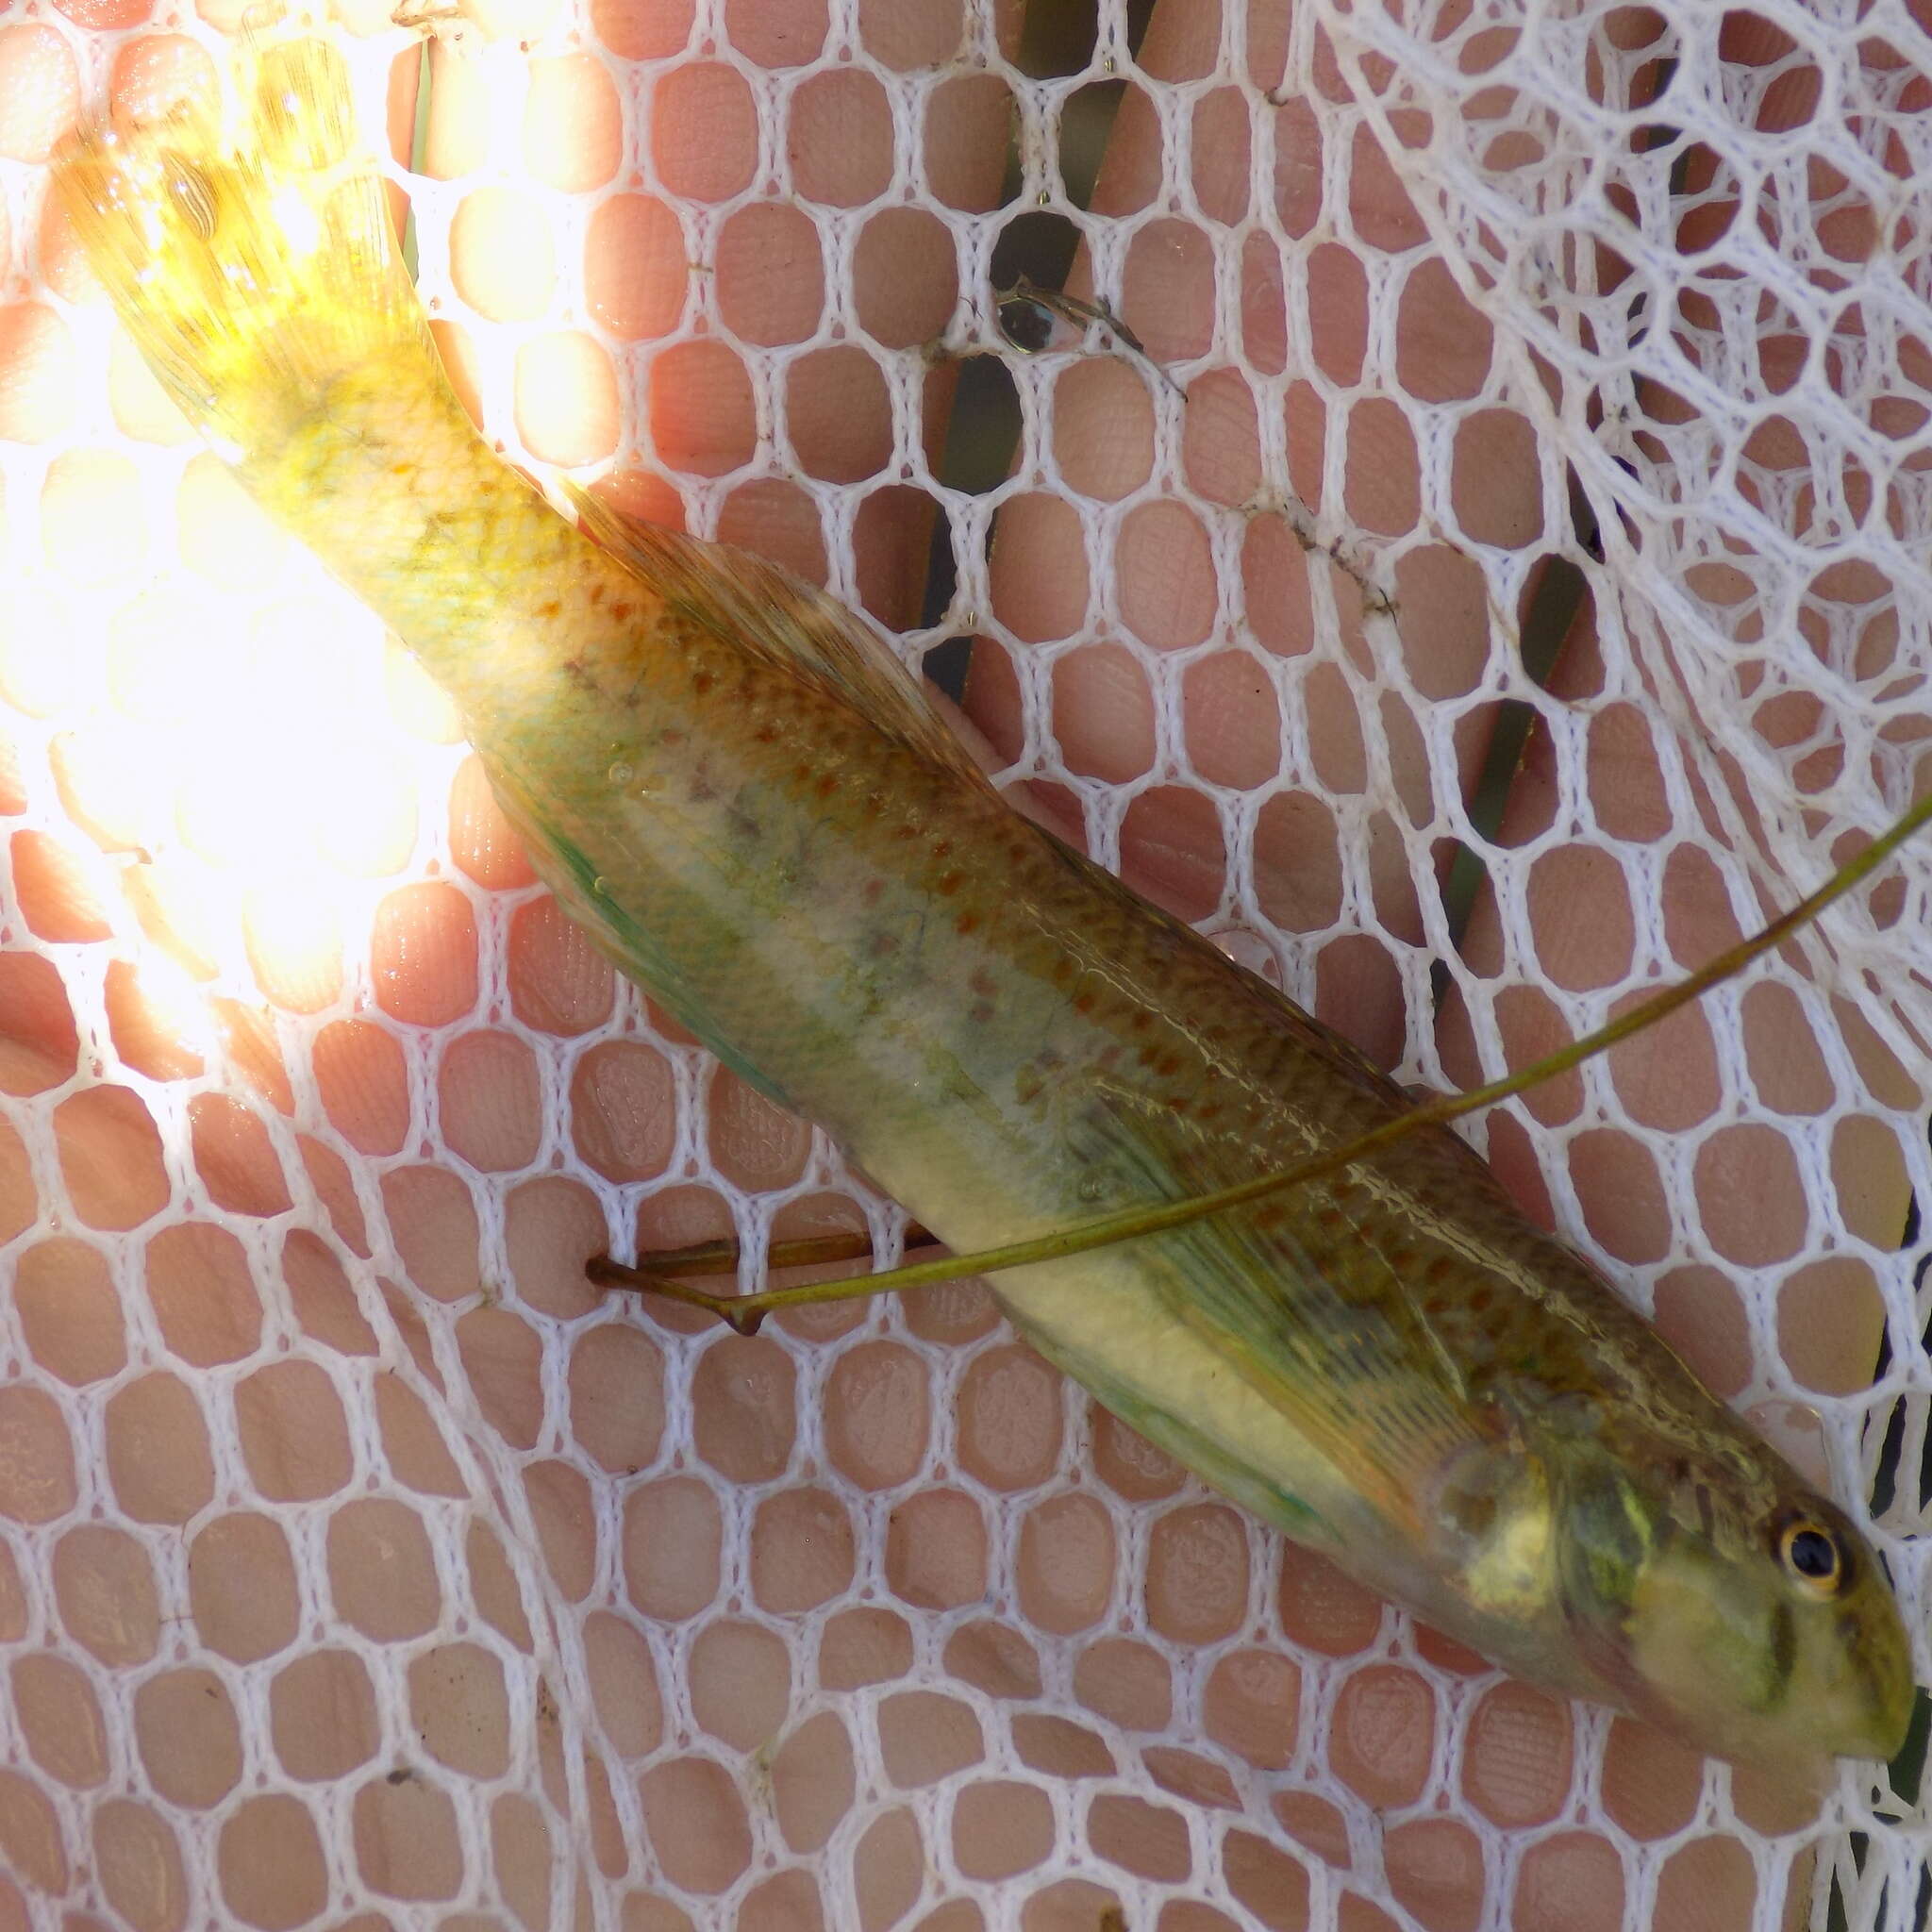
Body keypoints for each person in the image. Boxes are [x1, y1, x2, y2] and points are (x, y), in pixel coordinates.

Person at [0, 2, 1918, 1926]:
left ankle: (378, 456)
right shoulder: (1515, 1460)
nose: (1809, 1627)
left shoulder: (1534, 1479)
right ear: (1649, 1488)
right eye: (1800, 1555)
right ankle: (364, 446)